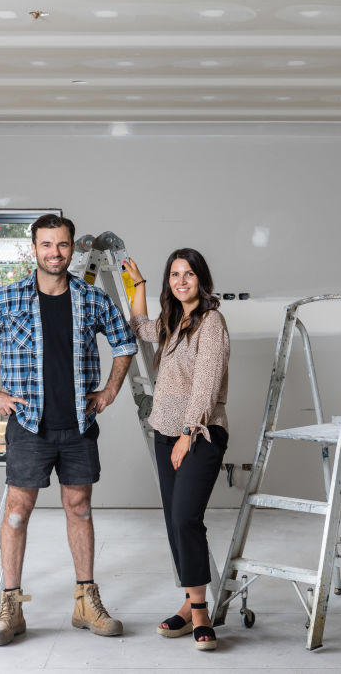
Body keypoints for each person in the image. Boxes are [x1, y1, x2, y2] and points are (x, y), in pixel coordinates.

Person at [0, 214, 137, 646]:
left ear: (72, 249)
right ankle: (10, 607)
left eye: (63, 245)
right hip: (29, 427)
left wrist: (109, 391)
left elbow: (124, 344)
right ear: (33, 249)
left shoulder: (90, 298)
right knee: (16, 512)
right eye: (47, 245)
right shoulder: (8, 297)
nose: (55, 252)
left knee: (81, 509)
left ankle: (86, 601)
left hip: (78, 425)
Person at [123, 248, 230, 652]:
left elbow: (206, 383)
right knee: (173, 520)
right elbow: (138, 326)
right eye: (174, 275)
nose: (181, 281)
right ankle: (189, 604)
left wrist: (188, 434)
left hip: (200, 434)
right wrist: (140, 285)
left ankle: (200, 611)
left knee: (187, 517)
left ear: (202, 280)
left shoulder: (211, 322)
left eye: (188, 274)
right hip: (165, 434)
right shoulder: (172, 321)